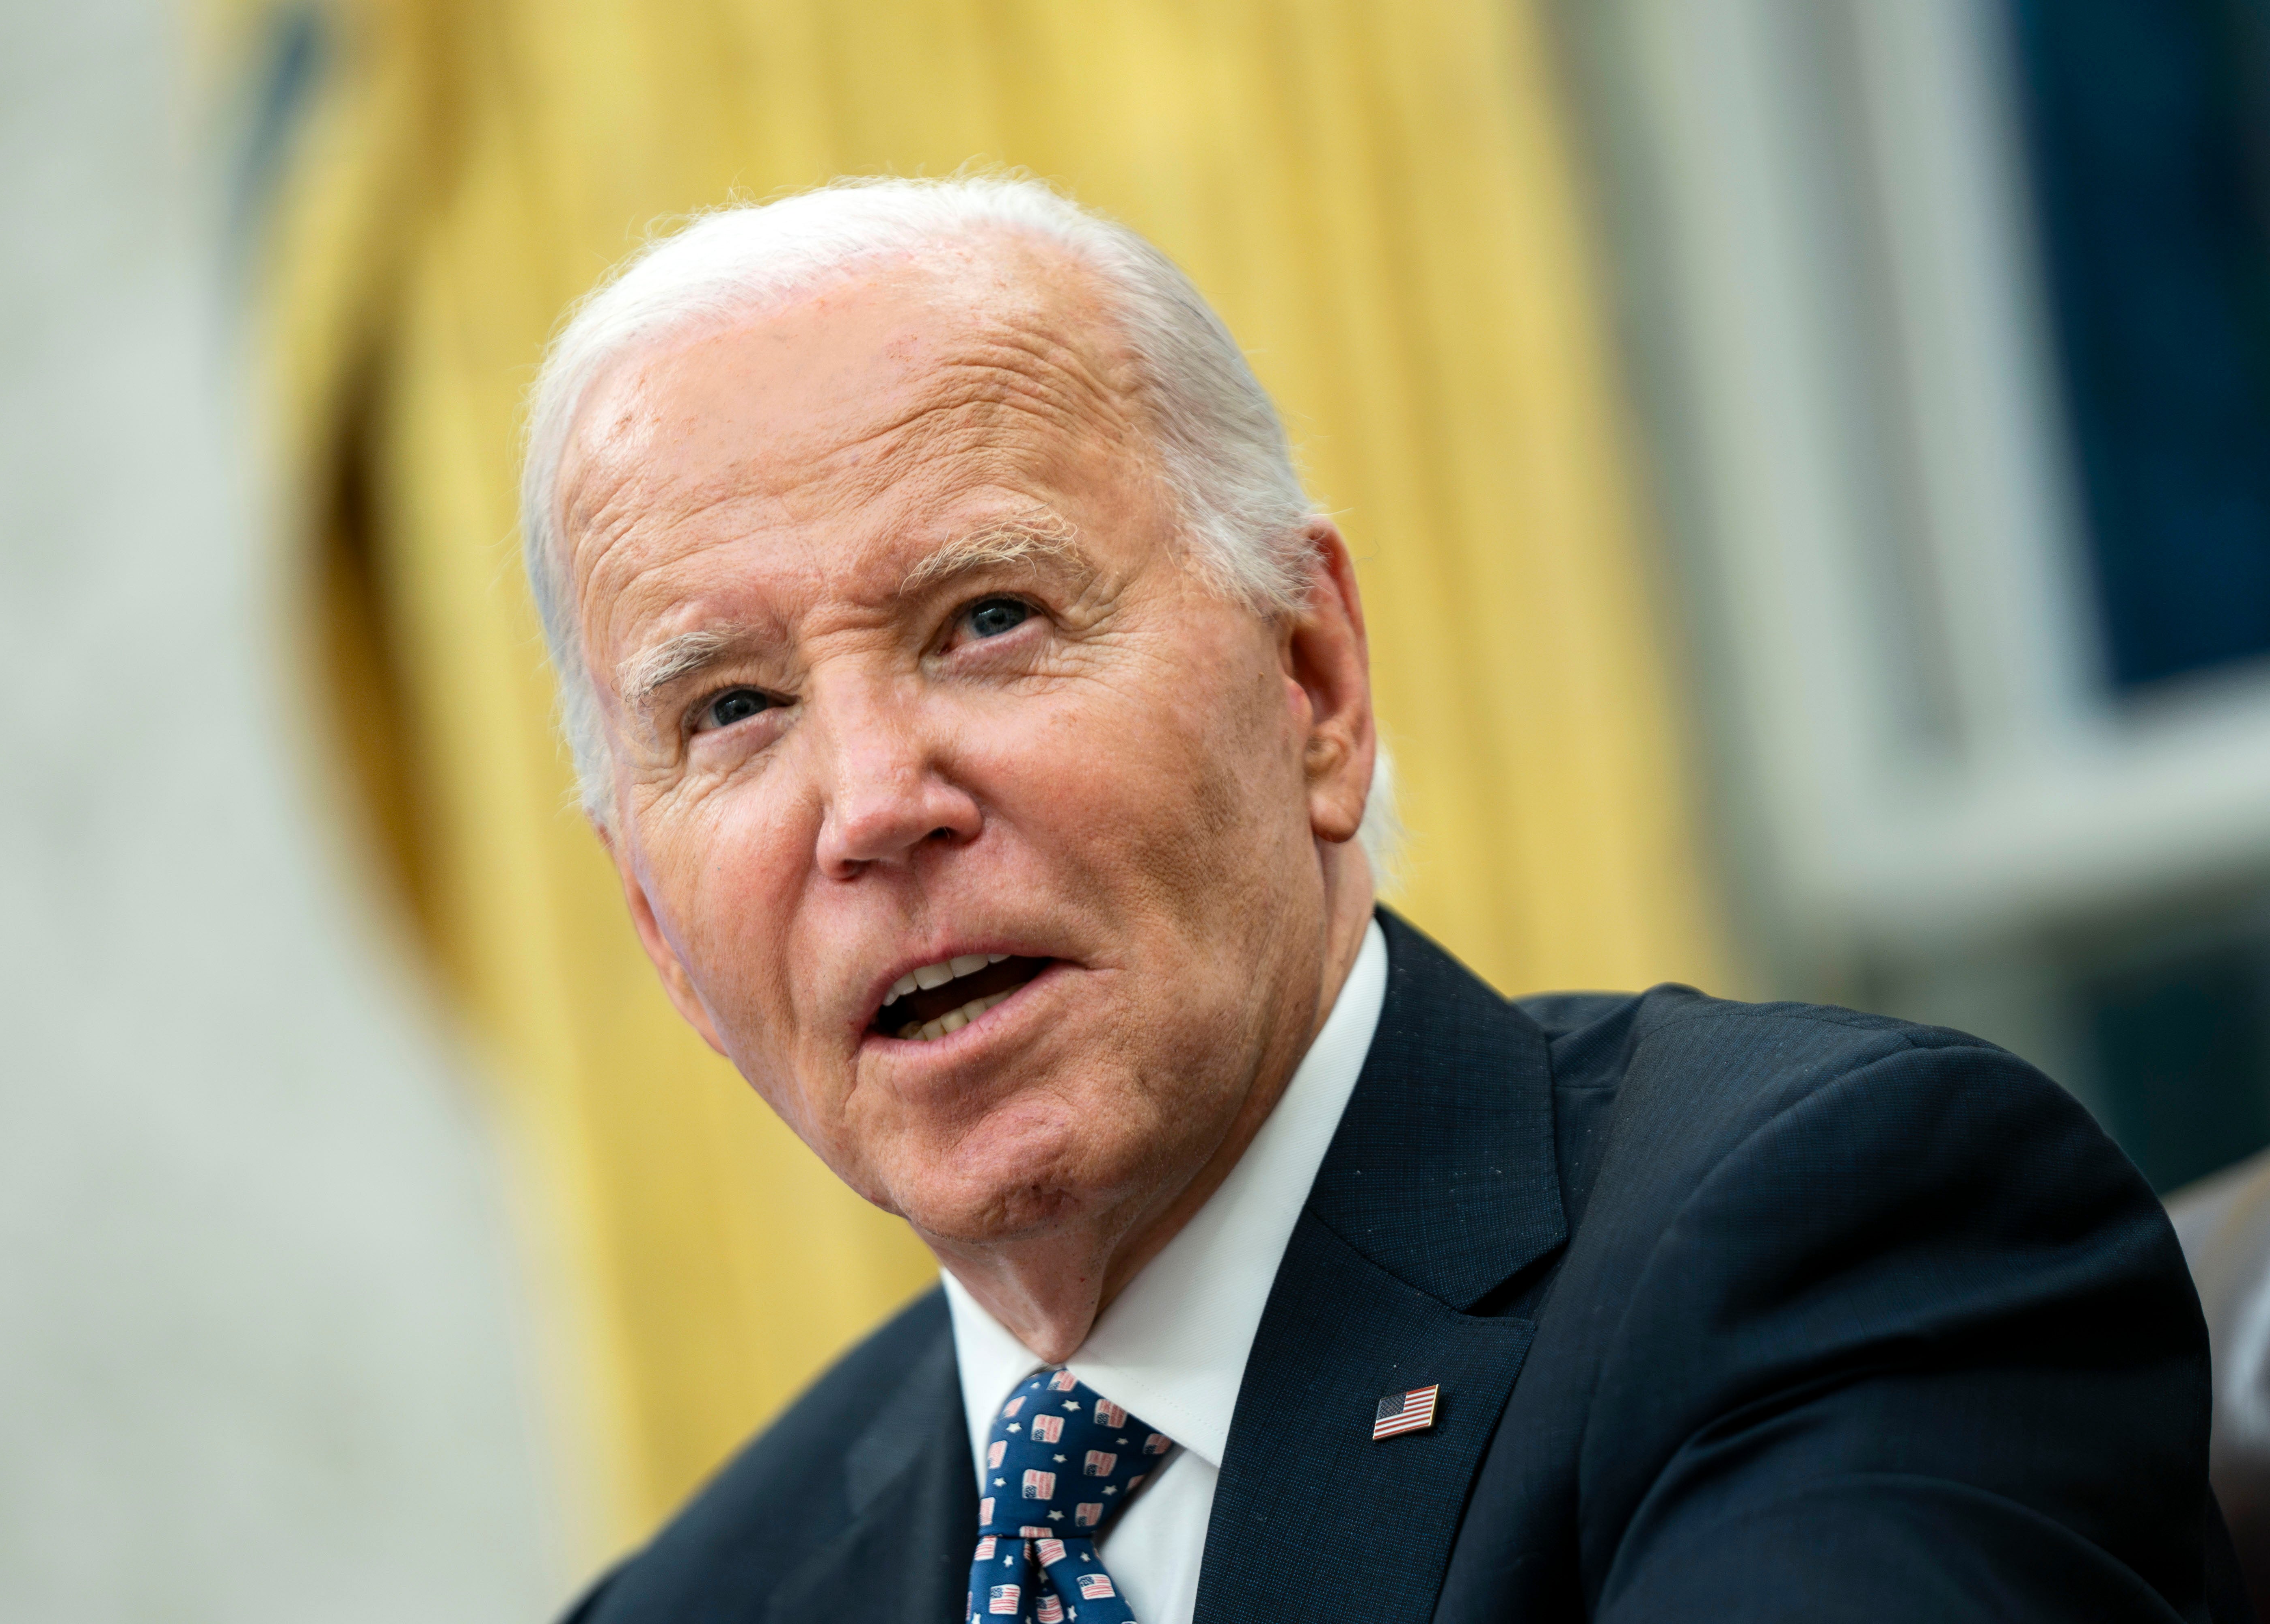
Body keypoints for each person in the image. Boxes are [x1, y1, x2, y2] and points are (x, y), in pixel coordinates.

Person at [517, 175, 2244, 1622]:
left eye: (988, 619)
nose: (879, 806)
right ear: (663, 938)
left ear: (1314, 682)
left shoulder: (1836, 1248)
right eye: (732, 711)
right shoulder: (694, 1599)